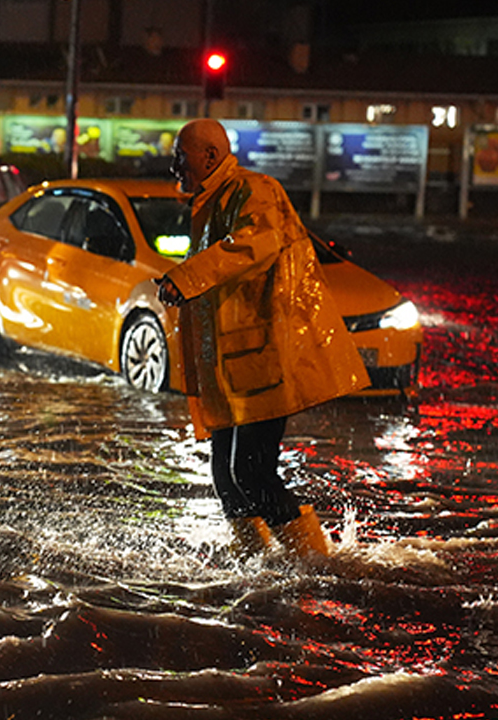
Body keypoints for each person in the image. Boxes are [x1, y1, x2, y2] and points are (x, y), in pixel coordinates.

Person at [155, 118, 369, 559]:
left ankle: (313, 562)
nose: (174, 165)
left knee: (250, 471)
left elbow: (255, 244)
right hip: (232, 368)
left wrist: (186, 276)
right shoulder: (212, 201)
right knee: (225, 476)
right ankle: (254, 562)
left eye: (181, 156)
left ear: (210, 156)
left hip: (262, 361)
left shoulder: (253, 190)